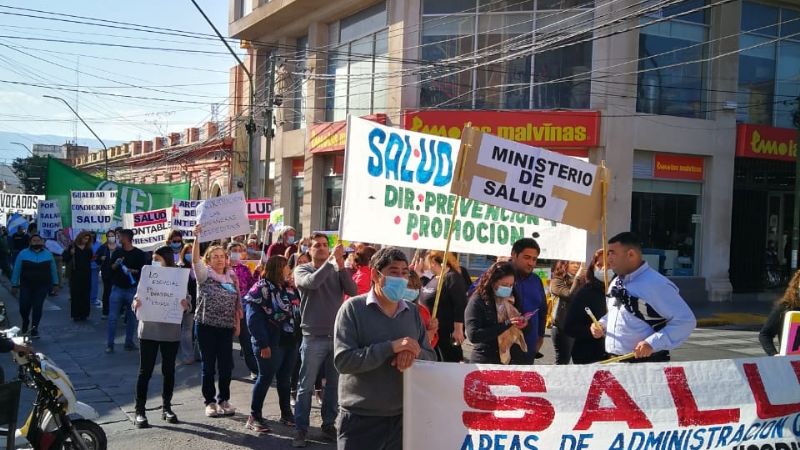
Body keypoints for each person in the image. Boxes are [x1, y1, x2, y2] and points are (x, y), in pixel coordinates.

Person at [333, 247, 436, 450]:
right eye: (393, 272)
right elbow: (343, 361)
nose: (401, 279)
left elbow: (430, 358)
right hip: (360, 418)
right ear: (375, 274)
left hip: (402, 418)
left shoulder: (412, 312)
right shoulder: (352, 309)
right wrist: (390, 348)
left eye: (404, 273)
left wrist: (413, 352)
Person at [292, 233, 358, 447]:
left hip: (336, 336)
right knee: (306, 386)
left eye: (324, 245)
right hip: (313, 337)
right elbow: (312, 283)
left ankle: (328, 424)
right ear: (309, 250)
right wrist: (331, 262)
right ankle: (300, 429)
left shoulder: (335, 269)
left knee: (333, 386)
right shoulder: (302, 270)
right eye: (317, 245)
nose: (321, 248)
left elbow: (353, 291)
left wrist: (341, 265)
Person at [590, 232, 696, 362]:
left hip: (645, 362)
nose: (609, 259)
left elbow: (685, 321)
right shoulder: (616, 282)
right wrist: (602, 324)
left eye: (612, 253)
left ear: (631, 255)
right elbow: (617, 313)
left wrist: (652, 343)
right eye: (608, 254)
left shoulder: (656, 284)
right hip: (614, 360)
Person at [131, 246, 191, 428]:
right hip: (148, 331)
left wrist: (185, 305)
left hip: (170, 332)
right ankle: (139, 411)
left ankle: (167, 408)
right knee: (145, 371)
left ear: (167, 259)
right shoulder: (147, 275)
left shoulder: (178, 277)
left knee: (169, 371)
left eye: (157, 259)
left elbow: (188, 302)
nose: (154, 262)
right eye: (153, 259)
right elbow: (137, 298)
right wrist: (136, 304)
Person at [244, 255, 301, 432]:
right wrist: (263, 344)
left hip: (290, 340)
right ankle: (254, 416)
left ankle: (286, 413)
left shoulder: (288, 288)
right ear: (278, 268)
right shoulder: (261, 288)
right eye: (286, 266)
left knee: (285, 379)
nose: (289, 269)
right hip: (270, 342)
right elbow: (253, 319)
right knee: (265, 378)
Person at [192, 224, 242, 418]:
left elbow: (237, 302)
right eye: (215, 256)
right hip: (206, 326)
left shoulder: (232, 277)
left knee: (226, 366)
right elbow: (195, 260)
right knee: (208, 366)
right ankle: (210, 402)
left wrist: (237, 323)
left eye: (222, 256)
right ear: (208, 260)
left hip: (226, 328)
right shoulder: (204, 275)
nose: (220, 259)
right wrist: (197, 238)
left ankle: (224, 399)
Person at [464, 262, 528, 364]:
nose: (508, 288)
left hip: (511, 359)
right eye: (504, 285)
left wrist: (523, 323)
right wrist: (506, 324)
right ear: (492, 282)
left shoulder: (512, 299)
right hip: (485, 360)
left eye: (511, 285)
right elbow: (473, 335)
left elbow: (519, 323)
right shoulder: (478, 301)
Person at [419, 250, 467, 363]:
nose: (428, 266)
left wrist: (458, 329)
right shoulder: (435, 277)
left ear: (434, 262)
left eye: (429, 263)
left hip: (445, 332)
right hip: (431, 331)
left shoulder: (452, 277)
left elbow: (460, 304)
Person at [563, 250, 610, 364]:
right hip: (589, 356)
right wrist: (591, 330)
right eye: (599, 265)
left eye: (608, 265)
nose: (604, 269)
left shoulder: (625, 291)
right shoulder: (585, 293)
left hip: (618, 354)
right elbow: (569, 327)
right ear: (593, 268)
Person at [107, 229, 150, 353]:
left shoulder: (139, 254)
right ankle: (110, 344)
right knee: (112, 318)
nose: (118, 239)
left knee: (131, 318)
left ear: (126, 238)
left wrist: (132, 271)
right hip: (117, 289)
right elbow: (111, 268)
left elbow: (143, 271)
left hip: (132, 290)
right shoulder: (117, 252)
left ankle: (129, 343)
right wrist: (116, 264)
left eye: (120, 237)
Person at [507, 238, 547, 365]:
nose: (531, 263)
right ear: (514, 254)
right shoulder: (498, 274)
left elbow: (542, 310)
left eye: (534, 259)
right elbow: (474, 297)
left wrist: (540, 336)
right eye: (527, 257)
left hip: (528, 347)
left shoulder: (536, 280)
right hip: (502, 348)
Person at [11, 234, 59, 337]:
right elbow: (16, 269)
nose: (36, 242)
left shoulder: (48, 254)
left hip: (42, 286)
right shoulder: (23, 254)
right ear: (30, 242)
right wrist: (14, 284)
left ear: (42, 242)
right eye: (34, 240)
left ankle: (34, 328)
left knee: (38, 307)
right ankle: (25, 321)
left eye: (38, 240)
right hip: (26, 285)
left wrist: (56, 283)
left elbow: (53, 270)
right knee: (24, 307)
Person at [228, 241, 259, 379]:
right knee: (226, 341)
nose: (236, 252)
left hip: (243, 308)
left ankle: (254, 369)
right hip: (227, 308)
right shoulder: (223, 268)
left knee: (246, 340)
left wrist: (257, 272)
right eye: (234, 250)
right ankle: (227, 368)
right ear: (228, 252)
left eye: (239, 250)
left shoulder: (245, 269)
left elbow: (253, 286)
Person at [549, 260, 585, 365]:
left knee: (580, 360)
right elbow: (570, 295)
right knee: (563, 360)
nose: (576, 266)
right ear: (565, 265)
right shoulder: (557, 281)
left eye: (578, 263)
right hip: (562, 327)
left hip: (578, 326)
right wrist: (577, 278)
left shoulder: (583, 280)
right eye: (573, 263)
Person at [759, 269, 800, 356]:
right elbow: (765, 334)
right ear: (796, 286)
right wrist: (774, 355)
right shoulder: (785, 308)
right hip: (790, 361)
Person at [63, 231, 93, 322]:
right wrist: (70, 253)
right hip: (75, 273)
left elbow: (90, 258)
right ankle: (76, 314)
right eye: (84, 238)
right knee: (76, 294)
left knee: (85, 294)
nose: (86, 240)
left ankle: (84, 314)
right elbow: (65, 259)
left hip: (86, 273)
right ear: (80, 238)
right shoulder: (72, 247)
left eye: (87, 239)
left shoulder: (88, 249)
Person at [404, 271, 438, 348]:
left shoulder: (422, 310)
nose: (412, 289)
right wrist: (424, 337)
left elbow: (432, 340)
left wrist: (432, 329)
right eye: (408, 286)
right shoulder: (392, 310)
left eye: (416, 286)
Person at [178, 243, 197, 365]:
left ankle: (198, 354)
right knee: (187, 329)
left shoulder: (200, 266)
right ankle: (188, 355)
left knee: (198, 330)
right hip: (188, 302)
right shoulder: (180, 268)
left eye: (192, 252)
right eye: (187, 252)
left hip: (200, 301)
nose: (190, 254)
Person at [95, 230, 118, 319]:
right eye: (109, 236)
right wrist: (100, 258)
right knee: (107, 292)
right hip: (106, 273)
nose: (111, 237)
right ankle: (105, 311)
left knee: (117, 292)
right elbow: (96, 260)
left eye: (112, 236)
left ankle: (118, 311)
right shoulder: (103, 248)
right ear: (107, 237)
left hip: (117, 274)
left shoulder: (119, 248)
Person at [89, 232, 102, 309]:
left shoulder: (99, 244)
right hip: (86, 267)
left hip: (95, 266)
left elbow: (100, 255)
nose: (92, 238)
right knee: (87, 283)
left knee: (94, 283)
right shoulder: (86, 244)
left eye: (93, 236)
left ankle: (93, 299)